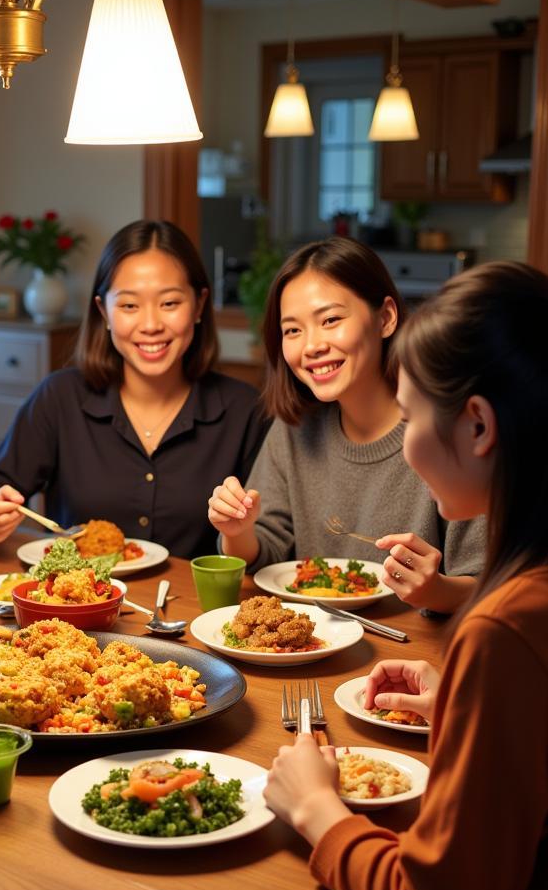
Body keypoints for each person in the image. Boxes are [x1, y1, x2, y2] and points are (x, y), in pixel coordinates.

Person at [263, 264, 548, 890]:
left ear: (477, 425)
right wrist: (462, 703)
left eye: (411, 419)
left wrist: (317, 808)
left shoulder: (507, 629)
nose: (405, 440)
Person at [207, 237, 485, 613]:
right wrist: (237, 532)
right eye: (292, 330)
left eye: (330, 320)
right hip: (311, 644)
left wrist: (435, 590)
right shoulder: (294, 428)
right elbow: (264, 556)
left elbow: (491, 586)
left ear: (385, 318)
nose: (311, 346)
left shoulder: (446, 430)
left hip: (415, 654)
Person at [0, 220, 268, 559]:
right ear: (103, 311)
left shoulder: (244, 410)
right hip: (77, 601)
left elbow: (266, 538)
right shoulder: (61, 397)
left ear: (198, 306)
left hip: (196, 608)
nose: (150, 325)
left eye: (169, 303)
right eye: (129, 306)